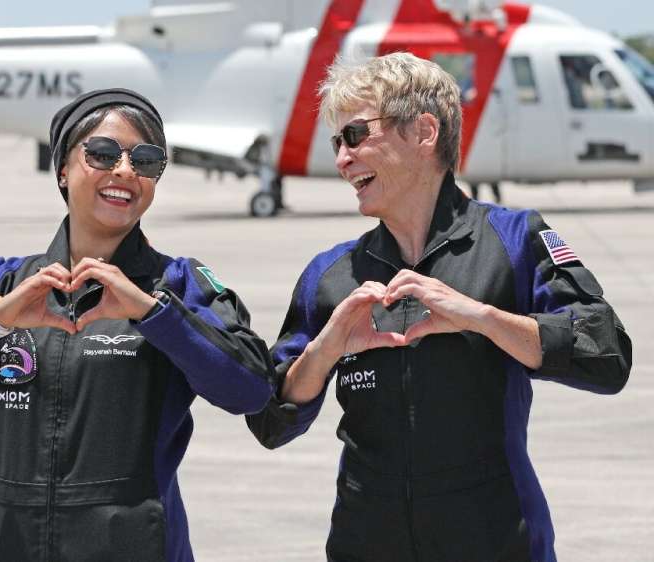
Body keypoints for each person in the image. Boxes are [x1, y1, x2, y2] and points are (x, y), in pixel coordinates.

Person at [246, 53, 632, 562]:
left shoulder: (513, 240)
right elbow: (271, 420)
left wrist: (480, 317)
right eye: (338, 141)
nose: (342, 157)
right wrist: (326, 348)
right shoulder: (332, 273)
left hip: (497, 539)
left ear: (424, 131)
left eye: (357, 134)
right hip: (366, 543)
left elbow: (606, 355)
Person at [0, 88, 274, 562]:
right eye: (102, 154)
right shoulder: (6, 282)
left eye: (146, 160)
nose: (125, 171)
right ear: (63, 169)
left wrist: (154, 316)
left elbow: (251, 390)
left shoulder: (178, 284)